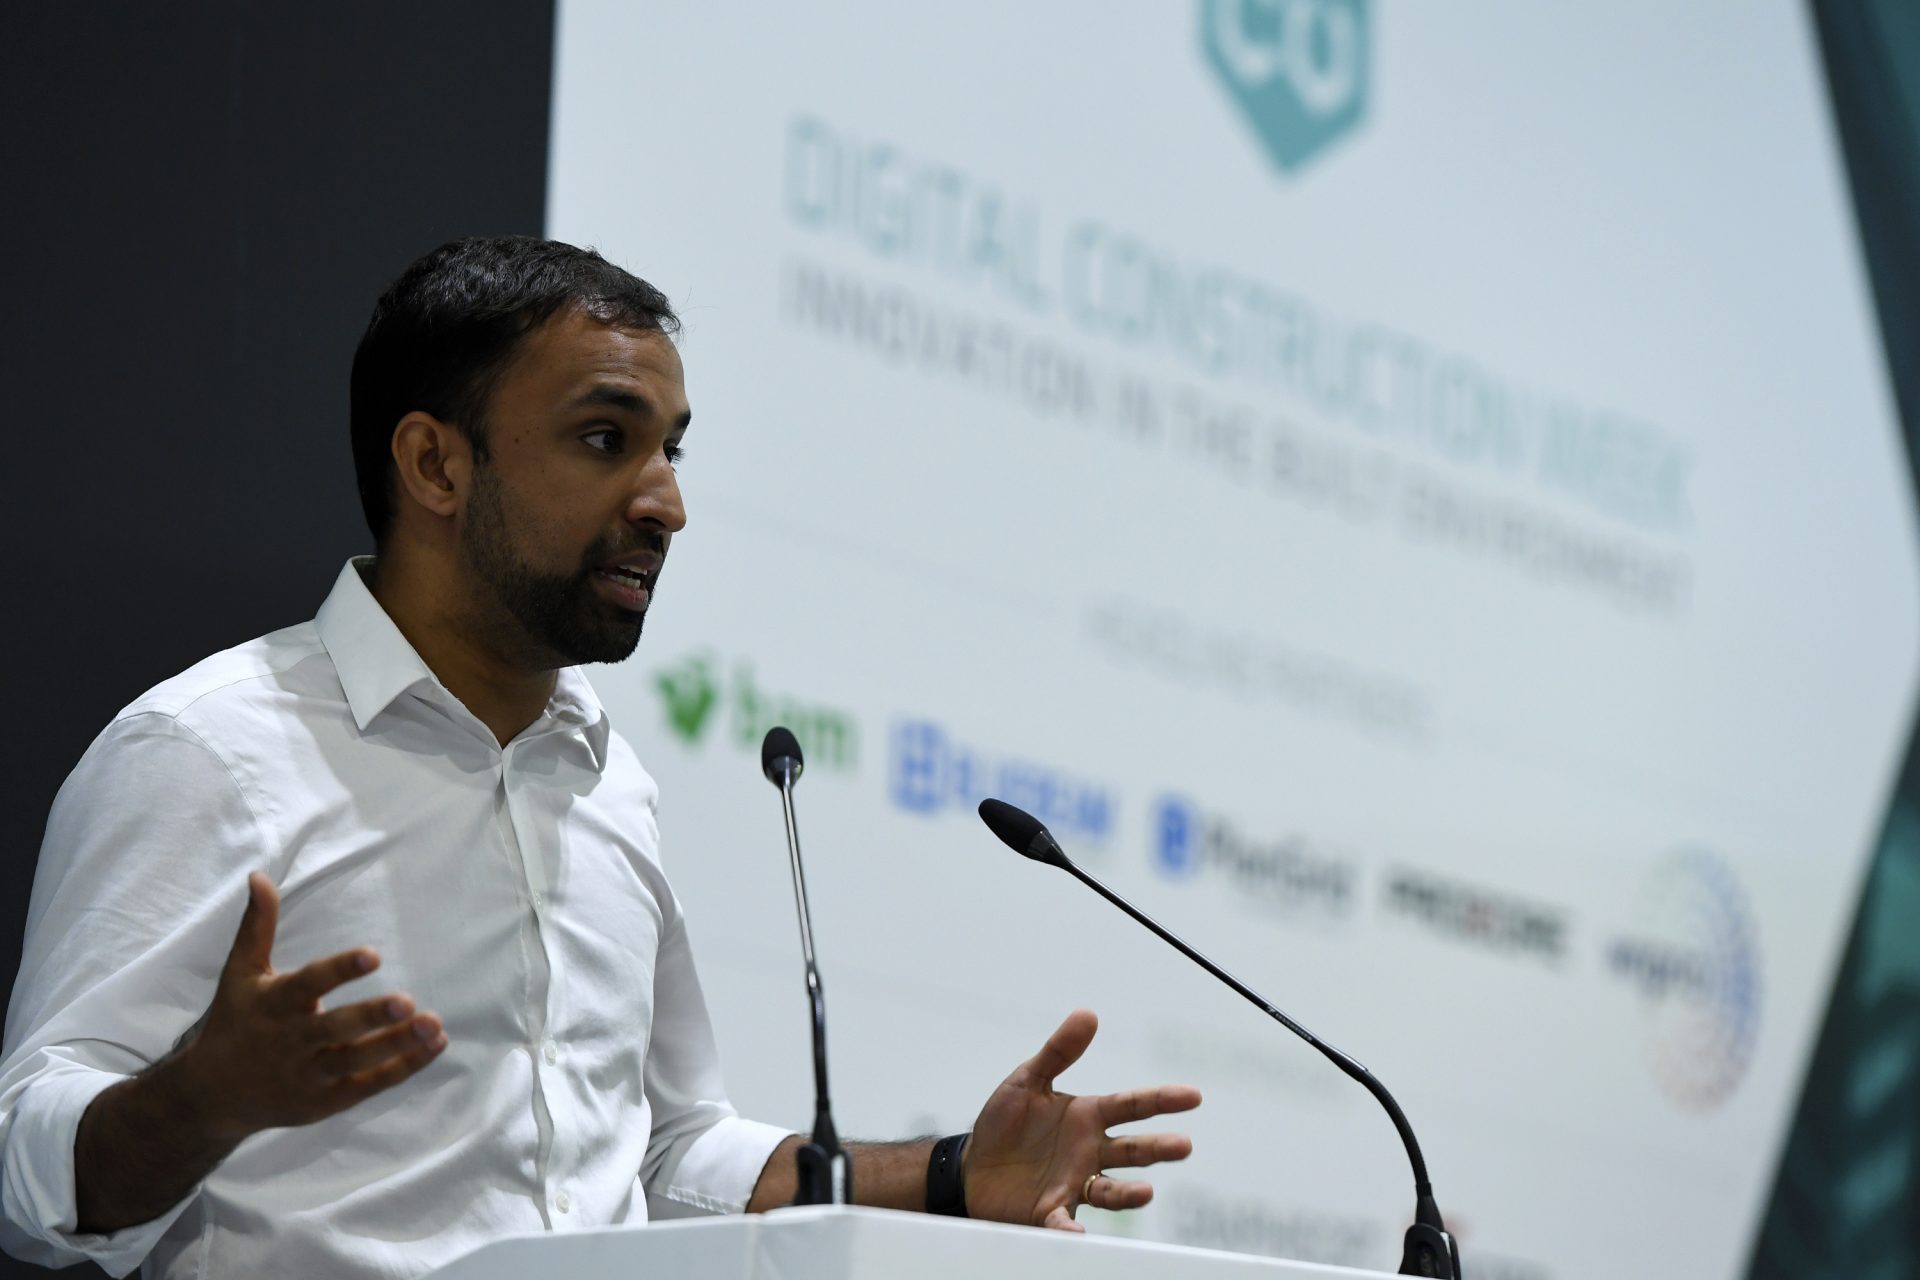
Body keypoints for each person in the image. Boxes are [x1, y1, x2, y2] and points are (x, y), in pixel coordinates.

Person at [0, 237, 1200, 1279]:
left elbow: (668, 1149)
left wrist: (948, 1172)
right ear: (435, 464)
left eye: (672, 448)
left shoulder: (607, 781)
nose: (666, 502)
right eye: (605, 438)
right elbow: (25, 1166)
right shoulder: (211, 748)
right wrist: (196, 1101)